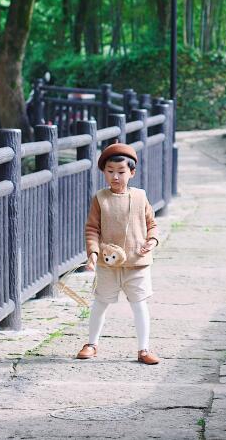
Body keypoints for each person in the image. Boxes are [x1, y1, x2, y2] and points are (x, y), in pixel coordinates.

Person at [75, 142, 160, 364]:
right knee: (100, 303)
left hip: (137, 263)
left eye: (121, 172)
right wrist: (93, 253)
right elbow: (92, 229)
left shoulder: (140, 197)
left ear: (132, 173)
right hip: (108, 263)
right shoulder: (100, 198)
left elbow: (152, 224)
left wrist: (152, 241)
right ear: (103, 172)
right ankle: (91, 343)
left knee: (139, 304)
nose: (115, 177)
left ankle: (143, 349)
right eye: (110, 171)